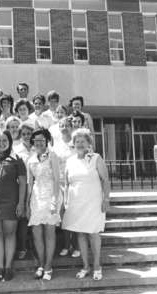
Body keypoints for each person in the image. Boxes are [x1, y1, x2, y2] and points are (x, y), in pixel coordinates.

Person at [62, 128, 110, 281]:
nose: (80, 144)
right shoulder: (70, 160)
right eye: (77, 141)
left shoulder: (96, 158)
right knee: (80, 234)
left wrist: (106, 199)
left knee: (94, 233)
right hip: (76, 203)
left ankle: (97, 265)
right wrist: (65, 202)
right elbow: (66, 183)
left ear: (89, 143)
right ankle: (85, 266)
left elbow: (105, 180)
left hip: (93, 202)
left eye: (83, 141)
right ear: (73, 144)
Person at [0, 130, 27, 281]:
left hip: (11, 202)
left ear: (10, 142)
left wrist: (21, 203)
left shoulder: (17, 159)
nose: (1, 143)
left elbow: (22, 183)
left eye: (5, 141)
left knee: (9, 234)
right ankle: (0, 266)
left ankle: (8, 267)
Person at [26, 129, 61, 281]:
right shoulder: (31, 159)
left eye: (41, 140)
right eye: (36, 140)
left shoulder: (53, 156)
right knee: (37, 234)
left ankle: (48, 266)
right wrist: (27, 203)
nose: (39, 143)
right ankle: (41, 264)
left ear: (46, 141)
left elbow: (57, 180)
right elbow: (30, 182)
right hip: (36, 197)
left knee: (49, 232)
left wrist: (54, 201)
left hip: (50, 196)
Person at [52, 117, 79, 258]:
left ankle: (76, 245)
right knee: (63, 216)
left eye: (67, 125)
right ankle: (66, 245)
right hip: (60, 183)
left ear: (71, 126)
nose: (64, 127)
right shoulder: (55, 145)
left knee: (74, 215)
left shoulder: (76, 142)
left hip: (74, 184)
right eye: (61, 125)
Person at [13, 121, 35, 260]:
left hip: (36, 186)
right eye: (24, 134)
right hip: (21, 185)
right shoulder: (16, 149)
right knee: (22, 219)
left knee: (34, 216)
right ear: (20, 135)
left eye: (29, 133)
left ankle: (34, 247)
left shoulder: (38, 147)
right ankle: (21, 247)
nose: (27, 136)